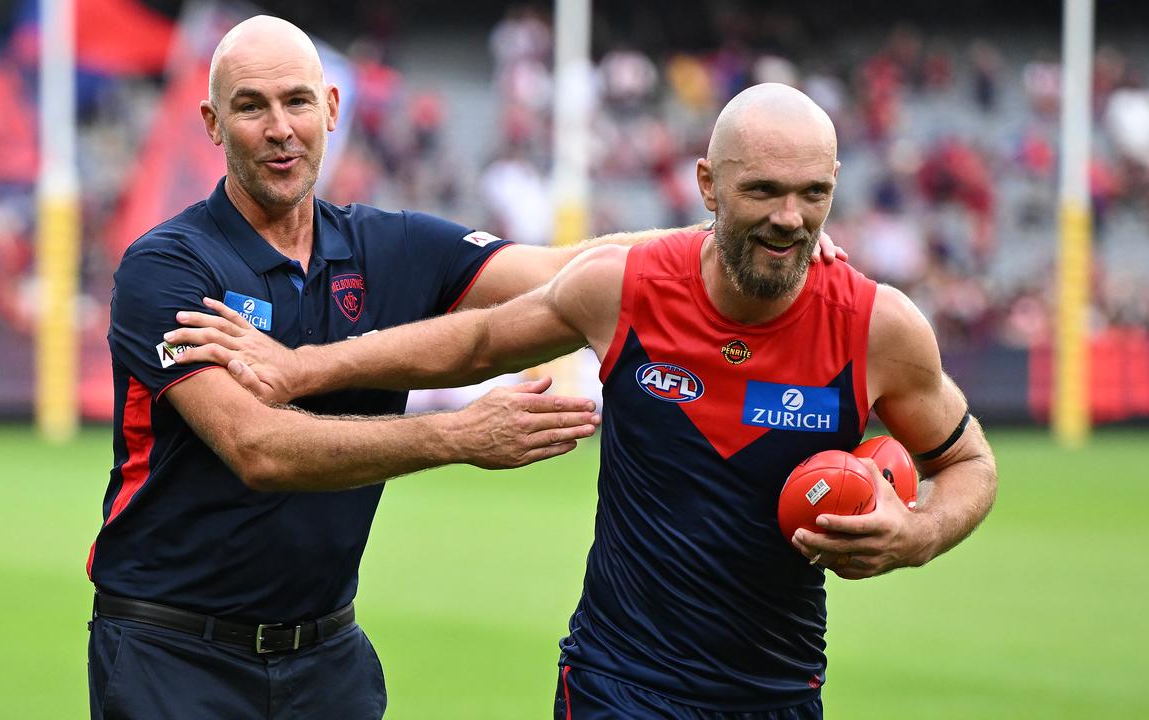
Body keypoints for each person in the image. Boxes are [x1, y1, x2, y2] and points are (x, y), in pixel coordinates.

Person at [89, 13, 852, 720]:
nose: (280, 129)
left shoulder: (388, 247)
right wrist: (458, 436)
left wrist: (744, 230)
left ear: (330, 107)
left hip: (324, 659)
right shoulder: (169, 267)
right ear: (212, 124)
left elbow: (567, 267)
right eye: (251, 107)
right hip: (171, 652)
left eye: (296, 101)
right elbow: (257, 448)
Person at [168, 83, 997, 719]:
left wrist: (916, 534)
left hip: (779, 689)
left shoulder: (878, 327)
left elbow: (965, 462)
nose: (790, 219)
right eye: (764, 193)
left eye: (813, 195)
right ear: (708, 184)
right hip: (618, 683)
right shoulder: (625, 288)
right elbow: (475, 340)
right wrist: (298, 369)